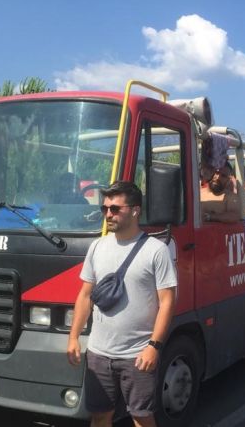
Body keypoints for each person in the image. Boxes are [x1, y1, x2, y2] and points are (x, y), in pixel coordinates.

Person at [67, 181, 177, 427]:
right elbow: (85, 295)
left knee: (141, 416)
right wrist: (74, 337)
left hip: (137, 354)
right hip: (98, 353)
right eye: (105, 209)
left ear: (135, 210)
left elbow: (167, 302)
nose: (108, 214)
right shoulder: (97, 246)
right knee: (100, 416)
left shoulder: (156, 250)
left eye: (115, 209)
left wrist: (154, 347)